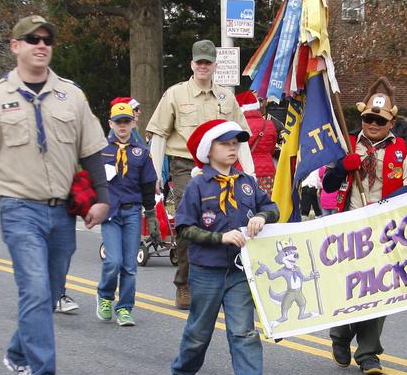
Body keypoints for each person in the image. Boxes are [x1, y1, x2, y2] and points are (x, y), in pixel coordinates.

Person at [0, 15, 110, 375]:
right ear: (15, 46)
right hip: (18, 208)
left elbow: (92, 149)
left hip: (61, 212)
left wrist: (102, 197)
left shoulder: (71, 96)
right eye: (31, 40)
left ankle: (17, 353)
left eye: (46, 40)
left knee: (47, 293)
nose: (40, 45)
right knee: (37, 291)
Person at [170, 118, 278, 375]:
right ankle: (183, 371)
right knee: (200, 328)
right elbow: (184, 228)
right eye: (225, 144)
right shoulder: (197, 185)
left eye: (236, 144)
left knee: (244, 330)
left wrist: (262, 217)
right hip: (207, 269)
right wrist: (219, 238)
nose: (233, 149)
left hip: (240, 270)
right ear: (209, 150)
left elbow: (271, 207)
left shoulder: (246, 184)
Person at [321, 78, 407, 375]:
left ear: (391, 121)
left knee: (379, 288)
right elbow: (328, 184)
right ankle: (340, 337)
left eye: (379, 119)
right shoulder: (347, 143)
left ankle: (368, 352)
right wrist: (343, 166)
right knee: (349, 285)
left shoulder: (404, 149)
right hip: (349, 226)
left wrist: (384, 206)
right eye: (368, 118)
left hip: (385, 228)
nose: (373, 123)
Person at [146, 39, 255, 309]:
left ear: (215, 65)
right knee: (189, 222)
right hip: (185, 165)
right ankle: (184, 284)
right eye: (199, 62)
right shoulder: (176, 94)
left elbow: (240, 137)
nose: (203, 66)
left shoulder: (226, 97)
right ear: (192, 64)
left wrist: (249, 174)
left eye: (208, 62)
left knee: (224, 222)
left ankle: (221, 283)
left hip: (220, 168)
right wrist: (154, 174)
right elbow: (159, 133)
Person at [96, 101, 159, 327]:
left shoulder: (141, 152)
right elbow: (93, 181)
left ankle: (124, 307)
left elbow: (148, 186)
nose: (122, 126)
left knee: (129, 266)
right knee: (113, 261)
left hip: (132, 212)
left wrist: (151, 215)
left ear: (133, 123)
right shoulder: (101, 150)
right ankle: (104, 296)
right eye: (118, 122)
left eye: (126, 121)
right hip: (110, 213)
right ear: (110, 123)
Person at [236, 90, 277, 194]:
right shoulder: (269, 124)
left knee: (245, 202)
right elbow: (272, 149)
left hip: (243, 170)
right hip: (267, 171)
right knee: (266, 203)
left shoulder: (237, 126)